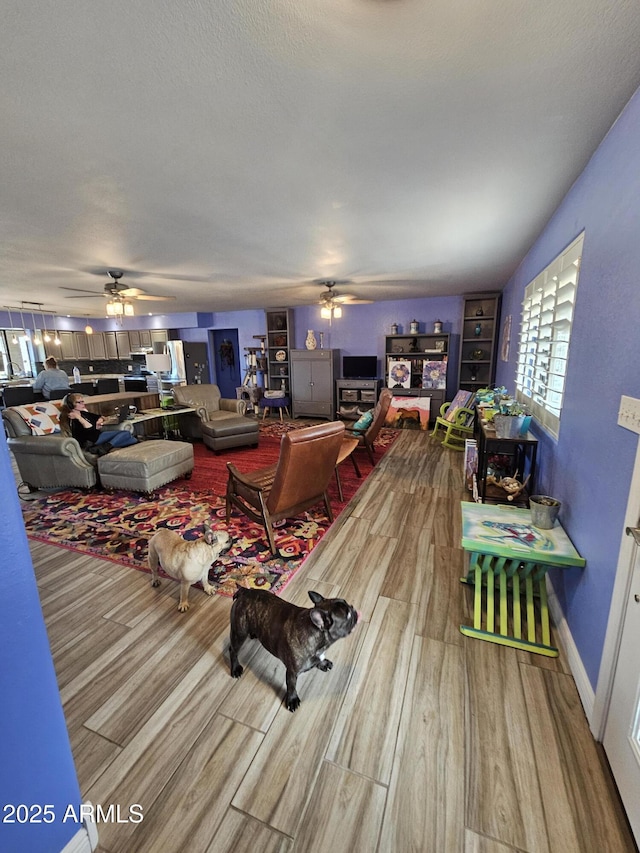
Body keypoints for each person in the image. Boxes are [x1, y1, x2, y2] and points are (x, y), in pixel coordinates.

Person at [59, 393, 138, 452]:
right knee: (126, 434)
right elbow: (89, 430)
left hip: (97, 436)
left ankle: (102, 447)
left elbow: (100, 416)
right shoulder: (73, 417)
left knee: (133, 440)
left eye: (83, 401)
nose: (83, 404)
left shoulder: (83, 413)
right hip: (89, 441)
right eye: (79, 402)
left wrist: (99, 420)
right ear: (71, 405)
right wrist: (79, 418)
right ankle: (106, 447)